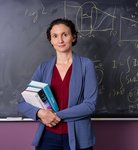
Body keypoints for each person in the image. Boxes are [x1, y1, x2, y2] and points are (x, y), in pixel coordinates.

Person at [18, 18, 98, 150]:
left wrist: (55, 116)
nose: (60, 40)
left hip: (79, 137)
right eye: (55, 36)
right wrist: (40, 113)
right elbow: (22, 103)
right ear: (51, 40)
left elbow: (90, 105)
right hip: (47, 137)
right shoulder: (43, 68)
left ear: (73, 37)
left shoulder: (86, 65)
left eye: (65, 35)